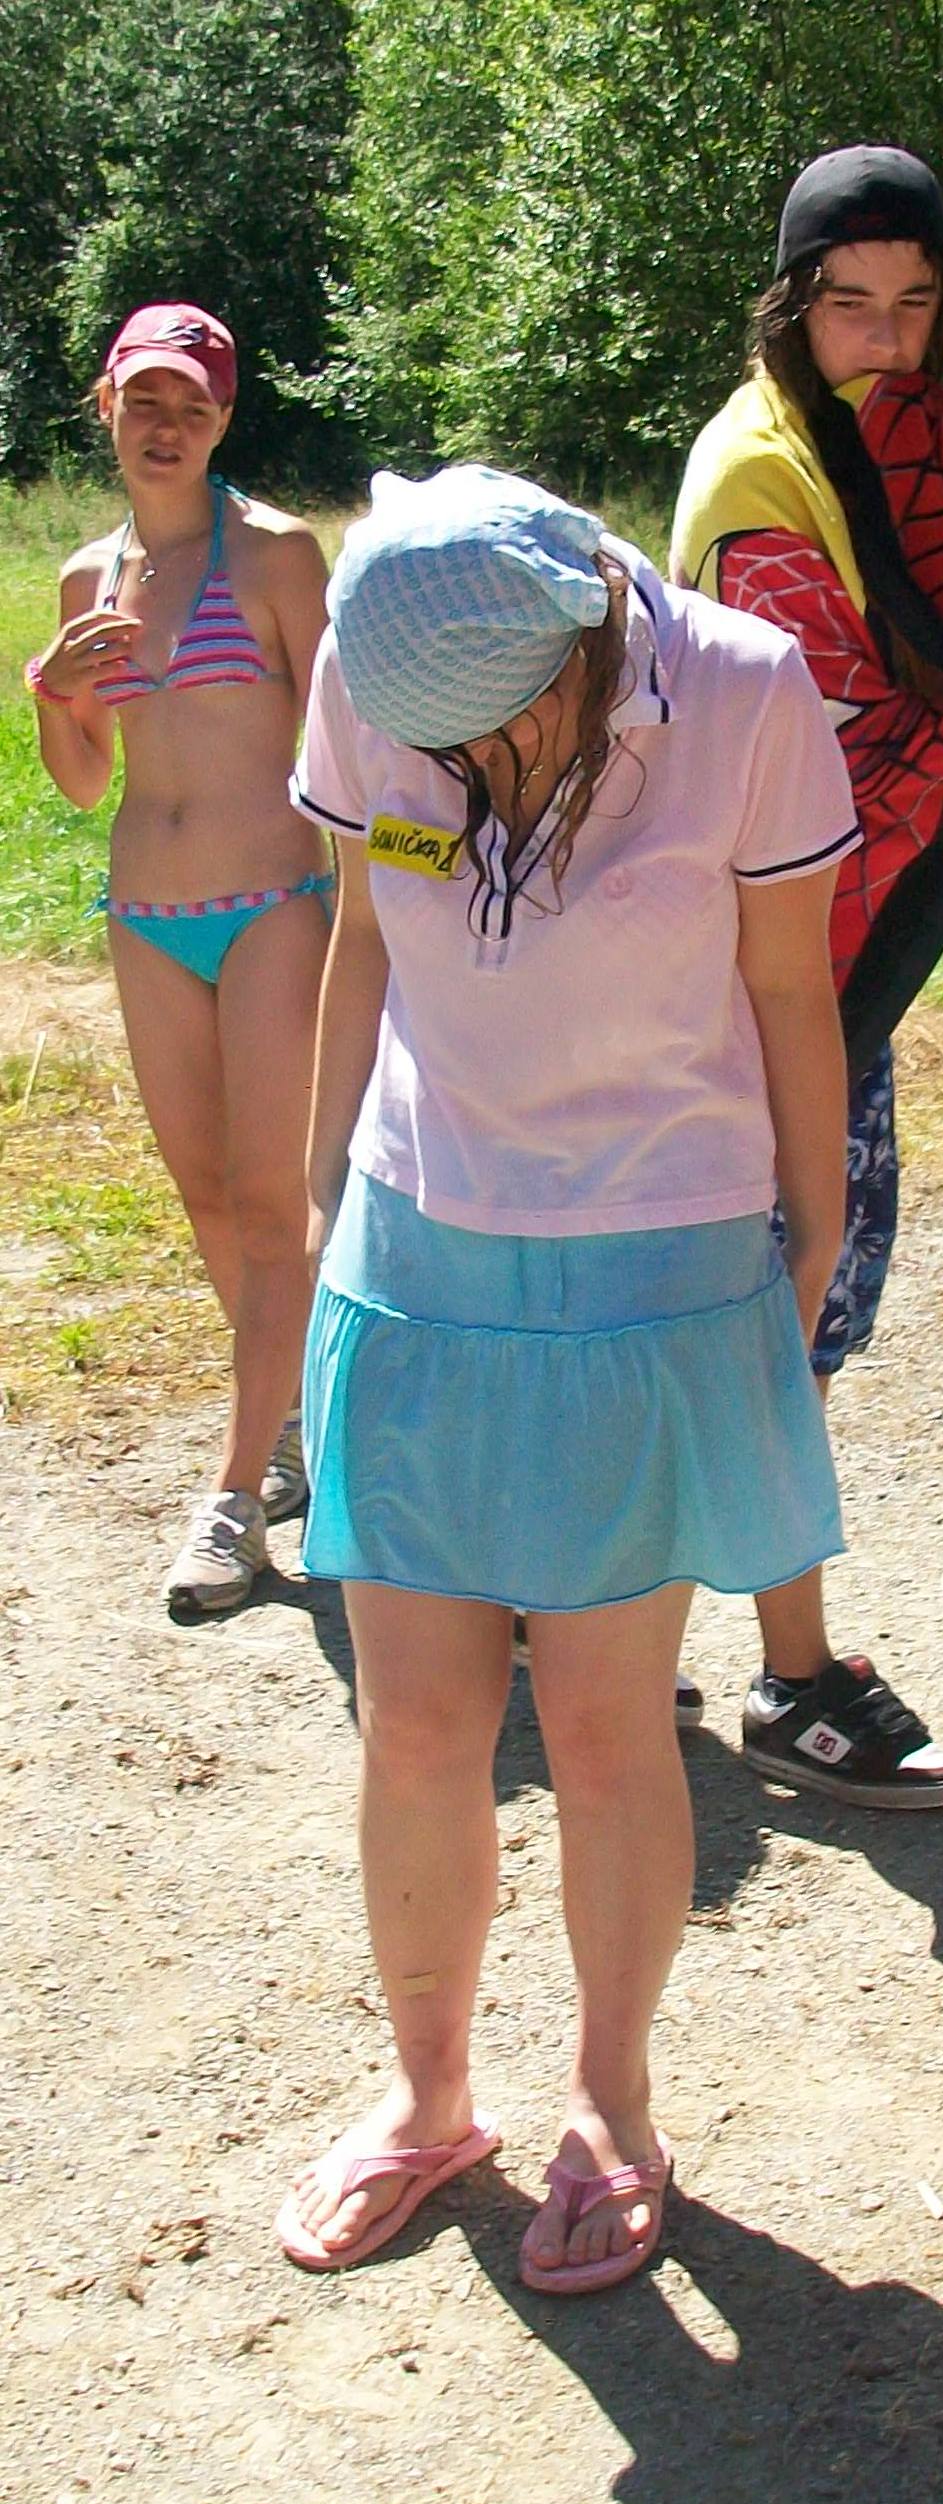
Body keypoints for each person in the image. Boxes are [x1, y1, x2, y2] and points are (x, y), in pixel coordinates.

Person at [276, 465, 851, 2285]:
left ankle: (613, 2103)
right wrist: (322, 1200)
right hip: (418, 1259)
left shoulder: (744, 686)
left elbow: (790, 987)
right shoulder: (378, 653)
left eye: (498, 725)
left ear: (590, 633)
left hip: (652, 1264)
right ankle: (428, 2092)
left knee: (606, 1731)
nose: (459, 760)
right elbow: (362, 936)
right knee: (418, 1721)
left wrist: (815, 1228)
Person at [671, 145, 943, 1810]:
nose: (882, 337)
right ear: (792, 307)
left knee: (751, 1298)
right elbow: (833, 759)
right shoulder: (768, 483)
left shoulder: (889, 448)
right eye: (848, 304)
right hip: (758, 979)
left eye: (913, 304)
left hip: (815, 963)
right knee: (778, 1304)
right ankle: (794, 1680)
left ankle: (573, 1607)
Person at [27, 303, 331, 1615]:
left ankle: (236, 1499)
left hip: (275, 905)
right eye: (145, 400)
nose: (166, 426)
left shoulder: (277, 554)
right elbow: (82, 777)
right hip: (147, 918)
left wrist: (375, 913)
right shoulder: (85, 579)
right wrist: (54, 691)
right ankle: (300, 1424)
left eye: (192, 407)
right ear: (107, 405)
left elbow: (343, 738)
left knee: (271, 1205)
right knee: (207, 1198)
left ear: (223, 421)